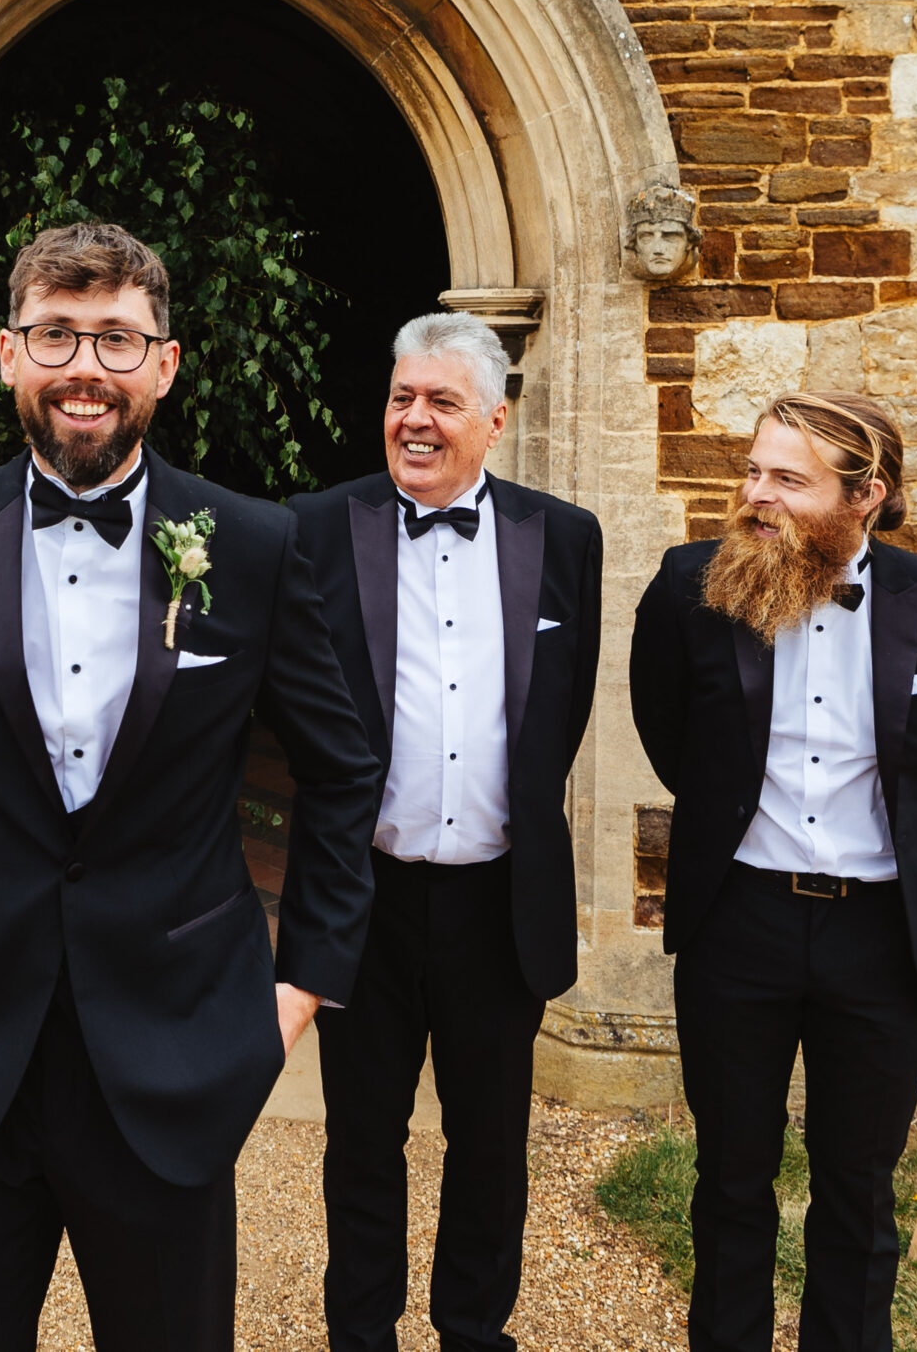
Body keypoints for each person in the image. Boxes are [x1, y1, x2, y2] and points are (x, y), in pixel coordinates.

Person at [0, 222, 385, 1352]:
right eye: (57, 333)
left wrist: (301, 984)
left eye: (117, 338)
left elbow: (343, 769)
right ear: (10, 354)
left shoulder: (249, 544)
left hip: (173, 1044)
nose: (85, 368)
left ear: (162, 364)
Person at [629, 392, 917, 1352]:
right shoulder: (690, 585)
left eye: (788, 480)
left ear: (868, 495)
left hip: (878, 938)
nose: (756, 494)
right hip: (737, 925)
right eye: (754, 470)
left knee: (856, 1188)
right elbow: (671, 734)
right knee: (729, 1177)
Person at [286, 311, 602, 1352]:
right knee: (361, 1141)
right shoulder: (316, 528)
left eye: (440, 402)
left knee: (489, 1143)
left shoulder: (564, 538)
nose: (413, 421)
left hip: (497, 897)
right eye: (400, 399)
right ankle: (359, 1334)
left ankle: (473, 1330)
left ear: (495, 420)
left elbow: (564, 704)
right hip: (363, 897)